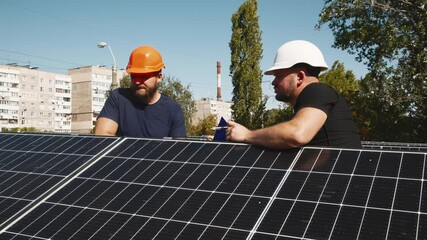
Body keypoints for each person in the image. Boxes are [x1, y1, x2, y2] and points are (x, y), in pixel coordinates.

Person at [226, 40, 361, 149]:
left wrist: (247, 135)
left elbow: (297, 134)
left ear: (300, 77)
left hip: (338, 180)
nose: (273, 82)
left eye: (279, 76)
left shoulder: (317, 91)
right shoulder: (311, 99)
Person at [95, 45, 186, 138]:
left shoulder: (173, 109)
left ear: (159, 77)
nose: (137, 81)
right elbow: (103, 138)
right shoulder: (118, 98)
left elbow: (178, 148)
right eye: (134, 76)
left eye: (143, 76)